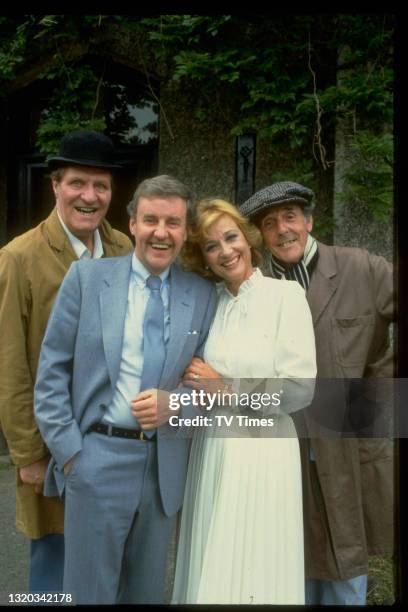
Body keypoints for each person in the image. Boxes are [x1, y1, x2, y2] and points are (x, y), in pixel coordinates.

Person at [33, 175, 218, 604]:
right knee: (88, 594)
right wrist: (72, 455)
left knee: (146, 595)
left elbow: (209, 385)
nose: (161, 232)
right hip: (97, 460)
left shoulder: (202, 295)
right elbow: (51, 375)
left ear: (186, 231)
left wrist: (179, 405)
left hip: (163, 469)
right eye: (150, 219)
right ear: (132, 223)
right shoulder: (88, 279)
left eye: (173, 223)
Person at [239, 181, 394, 606]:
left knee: (347, 558)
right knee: (292, 559)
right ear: (261, 236)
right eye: (270, 224)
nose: (283, 230)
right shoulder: (256, 286)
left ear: (309, 221)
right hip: (282, 443)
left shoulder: (361, 268)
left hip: (347, 441)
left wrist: (384, 386)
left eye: (290, 217)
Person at [0, 130, 132, 593]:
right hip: (55, 444)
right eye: (78, 183)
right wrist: (29, 453)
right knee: (54, 571)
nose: (89, 196)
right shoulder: (19, 259)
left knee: (107, 568)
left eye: (101, 186)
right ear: (55, 185)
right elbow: (10, 366)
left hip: (116, 445)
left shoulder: (125, 251)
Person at [171, 198, 317, 604]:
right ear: (203, 257)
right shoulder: (208, 303)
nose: (225, 251)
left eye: (230, 237)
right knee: (213, 561)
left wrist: (229, 388)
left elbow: (301, 389)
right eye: (212, 246)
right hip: (213, 448)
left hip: (265, 453)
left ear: (248, 239)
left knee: (258, 562)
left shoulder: (285, 296)